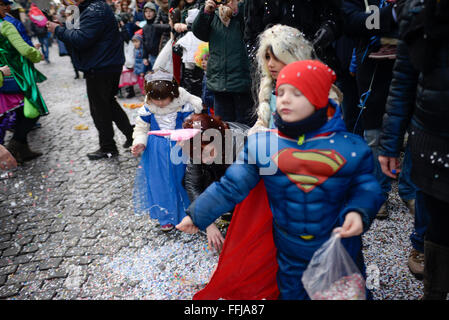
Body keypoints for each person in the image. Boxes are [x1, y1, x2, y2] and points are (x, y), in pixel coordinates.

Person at [177, 60, 384, 299]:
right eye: (281, 91)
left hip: (338, 244)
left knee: (344, 293)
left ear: (319, 98)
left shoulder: (349, 147)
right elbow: (230, 186)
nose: (284, 98)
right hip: (288, 250)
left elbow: (367, 186)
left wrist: (359, 211)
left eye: (296, 93)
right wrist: (198, 214)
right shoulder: (263, 146)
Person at [378, 0, 449, 299]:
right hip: (433, 140)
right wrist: (390, 144)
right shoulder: (419, 10)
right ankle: (434, 291)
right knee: (438, 224)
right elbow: (403, 80)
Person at [343, 0, 416, 220]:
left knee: (414, 128)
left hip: (409, 63)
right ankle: (378, 192)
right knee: (373, 130)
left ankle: (409, 189)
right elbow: (350, 20)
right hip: (372, 65)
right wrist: (389, 17)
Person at [47, 0, 135, 160]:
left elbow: (81, 39)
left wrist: (58, 30)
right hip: (103, 64)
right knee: (108, 103)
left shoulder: (95, 10)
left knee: (100, 109)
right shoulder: (88, 8)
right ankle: (131, 135)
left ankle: (108, 147)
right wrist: (63, 22)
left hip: (101, 66)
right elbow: (75, 31)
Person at [131, 69, 203, 232]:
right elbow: (141, 128)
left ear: (173, 93)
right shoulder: (148, 109)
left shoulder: (183, 106)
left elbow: (194, 124)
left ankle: (189, 214)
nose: (160, 102)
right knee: (160, 183)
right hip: (156, 151)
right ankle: (167, 216)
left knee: (184, 180)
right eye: (156, 99)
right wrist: (140, 143)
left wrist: (191, 138)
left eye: (164, 98)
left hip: (180, 148)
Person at [250, 24, 343, 133]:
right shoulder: (267, 86)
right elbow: (263, 121)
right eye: (267, 57)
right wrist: (257, 131)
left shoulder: (317, 86)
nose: (270, 64)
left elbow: (329, 127)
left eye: (276, 58)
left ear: (291, 56)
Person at [182, 112, 249, 251]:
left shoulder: (242, 143)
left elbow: (242, 184)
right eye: (196, 153)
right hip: (220, 170)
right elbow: (192, 183)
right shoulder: (196, 145)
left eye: (206, 151)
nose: (202, 157)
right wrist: (207, 221)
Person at [192, 0, 255, 127]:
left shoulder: (245, 9)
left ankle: (246, 147)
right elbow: (199, 32)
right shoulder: (213, 15)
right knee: (223, 126)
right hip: (220, 82)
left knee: (245, 125)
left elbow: (253, 28)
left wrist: (238, 10)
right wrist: (206, 12)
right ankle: (226, 147)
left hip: (242, 81)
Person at [243, 0, 344, 77]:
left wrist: (329, 27)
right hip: (275, 76)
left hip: (316, 66)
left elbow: (336, 16)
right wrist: (265, 62)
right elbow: (251, 36)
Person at [1, 2, 47, 162]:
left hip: (4, 75)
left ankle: (23, 150)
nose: (7, 9)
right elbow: (24, 49)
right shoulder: (6, 25)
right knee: (33, 110)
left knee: (20, 112)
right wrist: (36, 54)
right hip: (17, 75)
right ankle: (13, 148)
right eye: (4, 5)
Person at [131, 30, 147, 95]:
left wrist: (142, 71)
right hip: (137, 70)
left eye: (136, 42)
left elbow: (143, 61)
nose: (135, 43)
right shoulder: (135, 49)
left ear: (141, 42)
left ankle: (145, 94)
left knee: (143, 84)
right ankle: (143, 93)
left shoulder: (142, 50)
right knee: (140, 83)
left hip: (141, 71)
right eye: (133, 42)